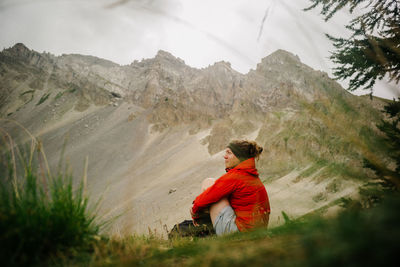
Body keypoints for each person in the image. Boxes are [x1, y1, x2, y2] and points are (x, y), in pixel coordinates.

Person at [190, 140, 271, 236]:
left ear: (239, 156)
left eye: (229, 153)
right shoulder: (251, 175)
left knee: (208, 183)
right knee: (215, 189)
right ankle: (206, 225)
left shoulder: (236, 176)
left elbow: (206, 197)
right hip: (254, 232)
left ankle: (204, 226)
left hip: (238, 233)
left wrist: (195, 212)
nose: (225, 156)